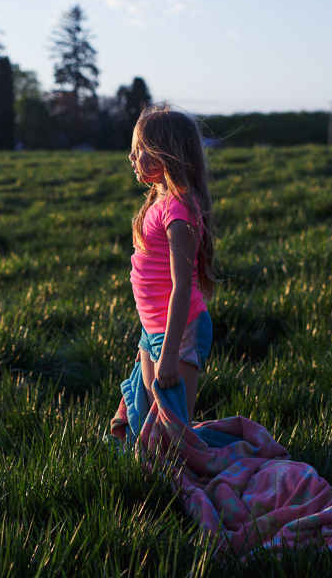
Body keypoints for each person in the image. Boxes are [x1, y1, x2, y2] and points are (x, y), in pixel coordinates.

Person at [128, 103, 216, 423]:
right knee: (152, 415)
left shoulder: (179, 213)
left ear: (164, 154)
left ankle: (184, 472)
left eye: (139, 150)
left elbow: (181, 288)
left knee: (175, 423)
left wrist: (168, 354)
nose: (131, 157)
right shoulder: (159, 199)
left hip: (179, 330)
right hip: (153, 327)